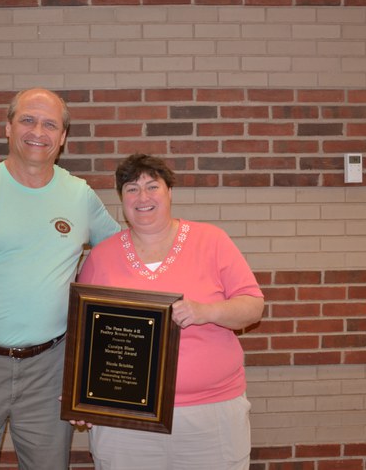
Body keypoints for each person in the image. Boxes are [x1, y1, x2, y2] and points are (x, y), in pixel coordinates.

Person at [0, 87, 120, 470]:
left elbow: (123, 257)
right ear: (8, 127)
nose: (38, 131)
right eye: (28, 120)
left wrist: (89, 379)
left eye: (50, 124)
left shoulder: (79, 195)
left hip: (50, 370)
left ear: (63, 137)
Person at [74, 153, 265, 470]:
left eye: (152, 186)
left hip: (210, 413)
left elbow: (253, 306)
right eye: (132, 189)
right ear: (122, 199)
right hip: (126, 419)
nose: (143, 197)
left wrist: (206, 311)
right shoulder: (101, 256)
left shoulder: (211, 241)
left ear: (169, 192)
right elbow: (86, 336)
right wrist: (81, 395)